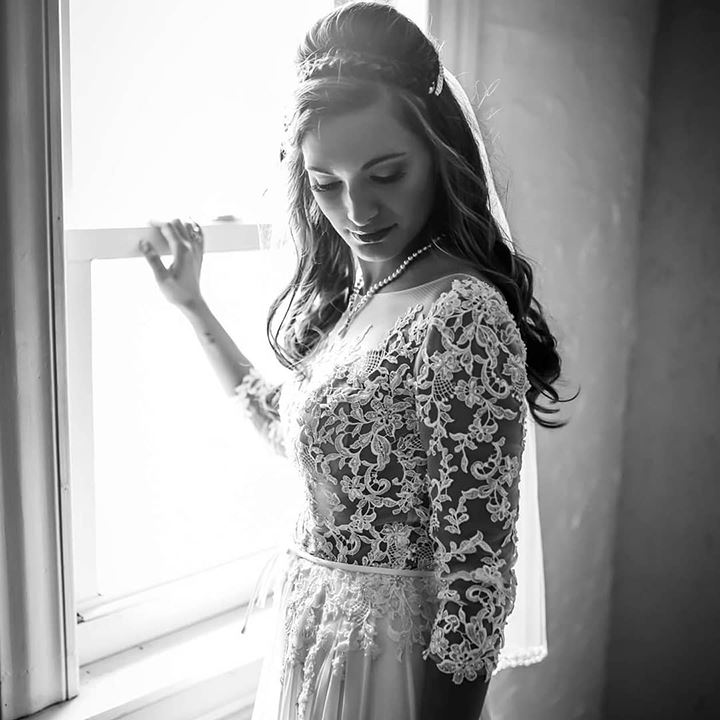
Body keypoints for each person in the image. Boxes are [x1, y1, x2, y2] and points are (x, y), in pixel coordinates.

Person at [139, 3, 570, 718]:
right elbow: (294, 432)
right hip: (311, 648)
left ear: (440, 153)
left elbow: (477, 581)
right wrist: (193, 306)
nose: (358, 211)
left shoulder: (461, 316)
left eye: (386, 173)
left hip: (389, 674)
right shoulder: (360, 295)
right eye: (325, 183)